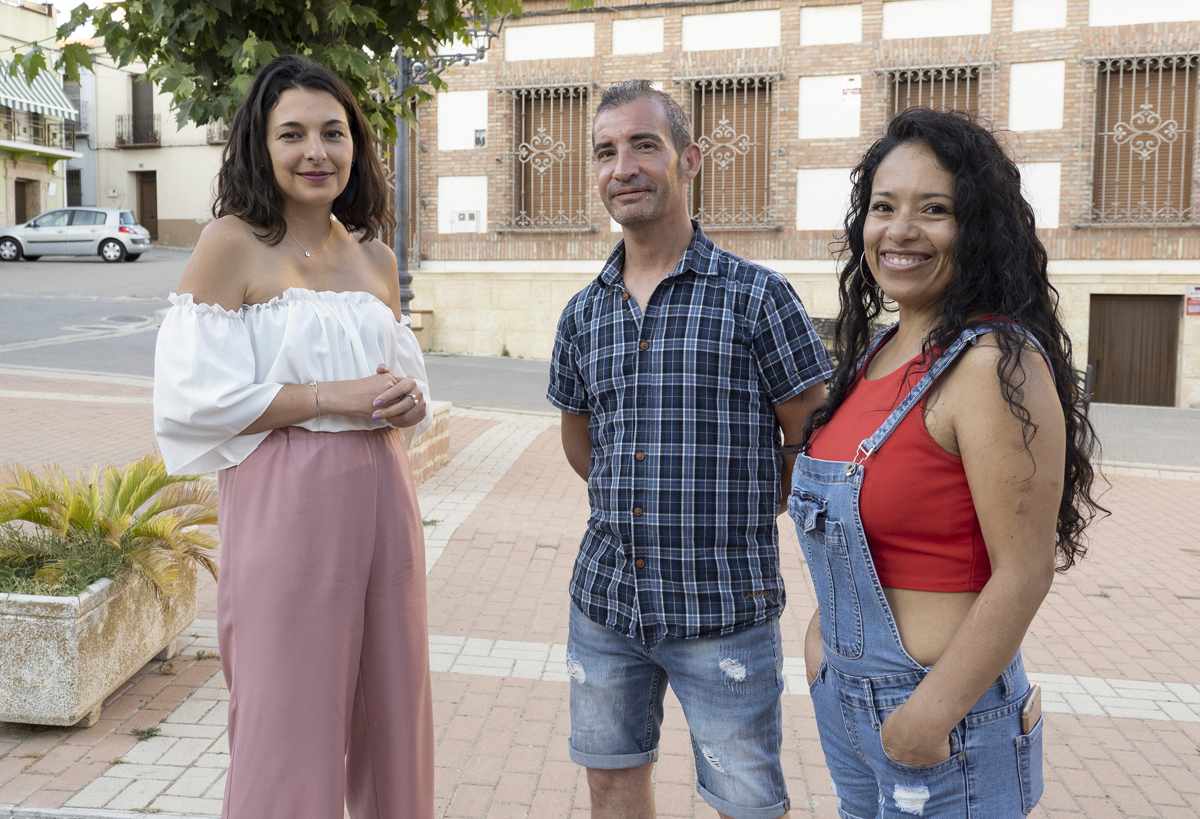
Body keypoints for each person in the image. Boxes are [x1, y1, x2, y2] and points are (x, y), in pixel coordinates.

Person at [791, 108, 1105, 817]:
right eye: (883, 207)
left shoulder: (995, 363)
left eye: (935, 209)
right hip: (847, 701)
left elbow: (1024, 569)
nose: (901, 231)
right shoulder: (875, 355)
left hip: (944, 723)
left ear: (978, 228)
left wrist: (926, 716)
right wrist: (821, 652)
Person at [152, 55, 433, 819]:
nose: (317, 151)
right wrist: (326, 397)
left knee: (394, 707)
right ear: (260, 145)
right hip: (284, 495)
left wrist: (407, 400)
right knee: (286, 719)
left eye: (334, 132)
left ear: (357, 146)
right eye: (294, 134)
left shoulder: (374, 255)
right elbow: (190, 400)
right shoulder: (231, 243)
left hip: (385, 492)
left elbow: (400, 374)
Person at [547, 80, 832, 819]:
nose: (624, 167)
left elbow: (814, 443)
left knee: (746, 802)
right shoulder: (583, 314)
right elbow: (584, 446)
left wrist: (734, 507)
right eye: (606, 152)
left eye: (645, 144)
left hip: (724, 608)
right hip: (606, 603)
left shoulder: (758, 297)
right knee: (610, 782)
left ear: (689, 158)